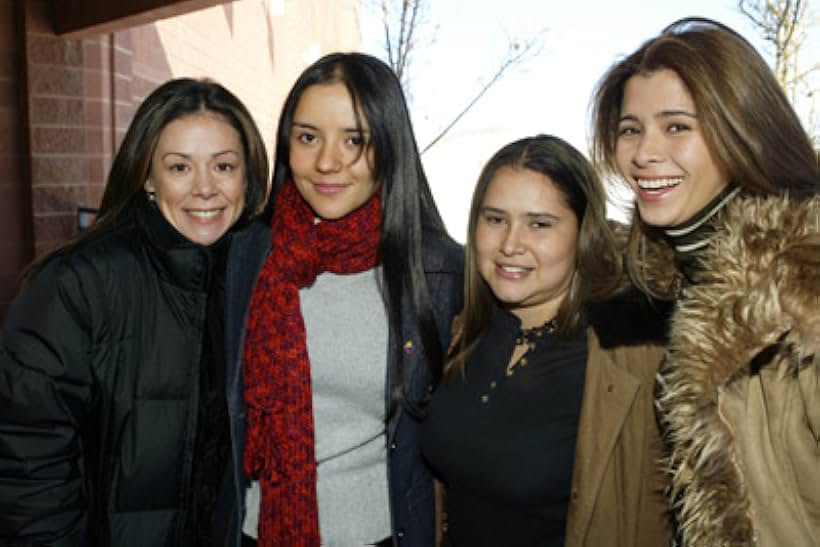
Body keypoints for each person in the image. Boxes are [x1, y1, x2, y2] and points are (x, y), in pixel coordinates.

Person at [0, 77, 269, 546]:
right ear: (147, 177)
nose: (205, 188)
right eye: (180, 167)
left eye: (223, 166)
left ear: (248, 177)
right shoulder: (76, 286)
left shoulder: (262, 285)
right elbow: (27, 466)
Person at [591, 17, 820, 547]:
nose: (644, 154)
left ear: (744, 128)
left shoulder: (802, 283)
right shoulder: (675, 289)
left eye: (677, 127)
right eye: (631, 129)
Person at [223, 52, 463, 547]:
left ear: (390, 145)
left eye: (355, 140)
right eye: (308, 137)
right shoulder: (246, 255)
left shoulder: (438, 271)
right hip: (254, 532)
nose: (328, 161)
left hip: (382, 534)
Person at [420, 135, 673, 546]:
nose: (510, 245)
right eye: (495, 219)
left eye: (539, 224)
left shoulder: (630, 354)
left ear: (583, 232)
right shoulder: (460, 330)